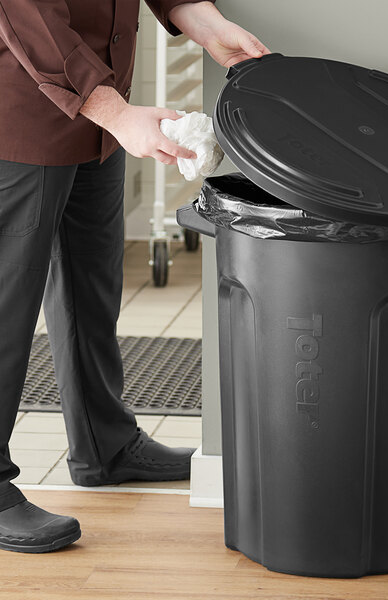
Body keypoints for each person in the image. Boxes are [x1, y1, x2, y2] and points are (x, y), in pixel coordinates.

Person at [0, 0, 269, 554]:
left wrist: (200, 19)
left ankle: (105, 446)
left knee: (91, 288)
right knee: (7, 305)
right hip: (23, 113)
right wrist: (117, 114)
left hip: (98, 113)